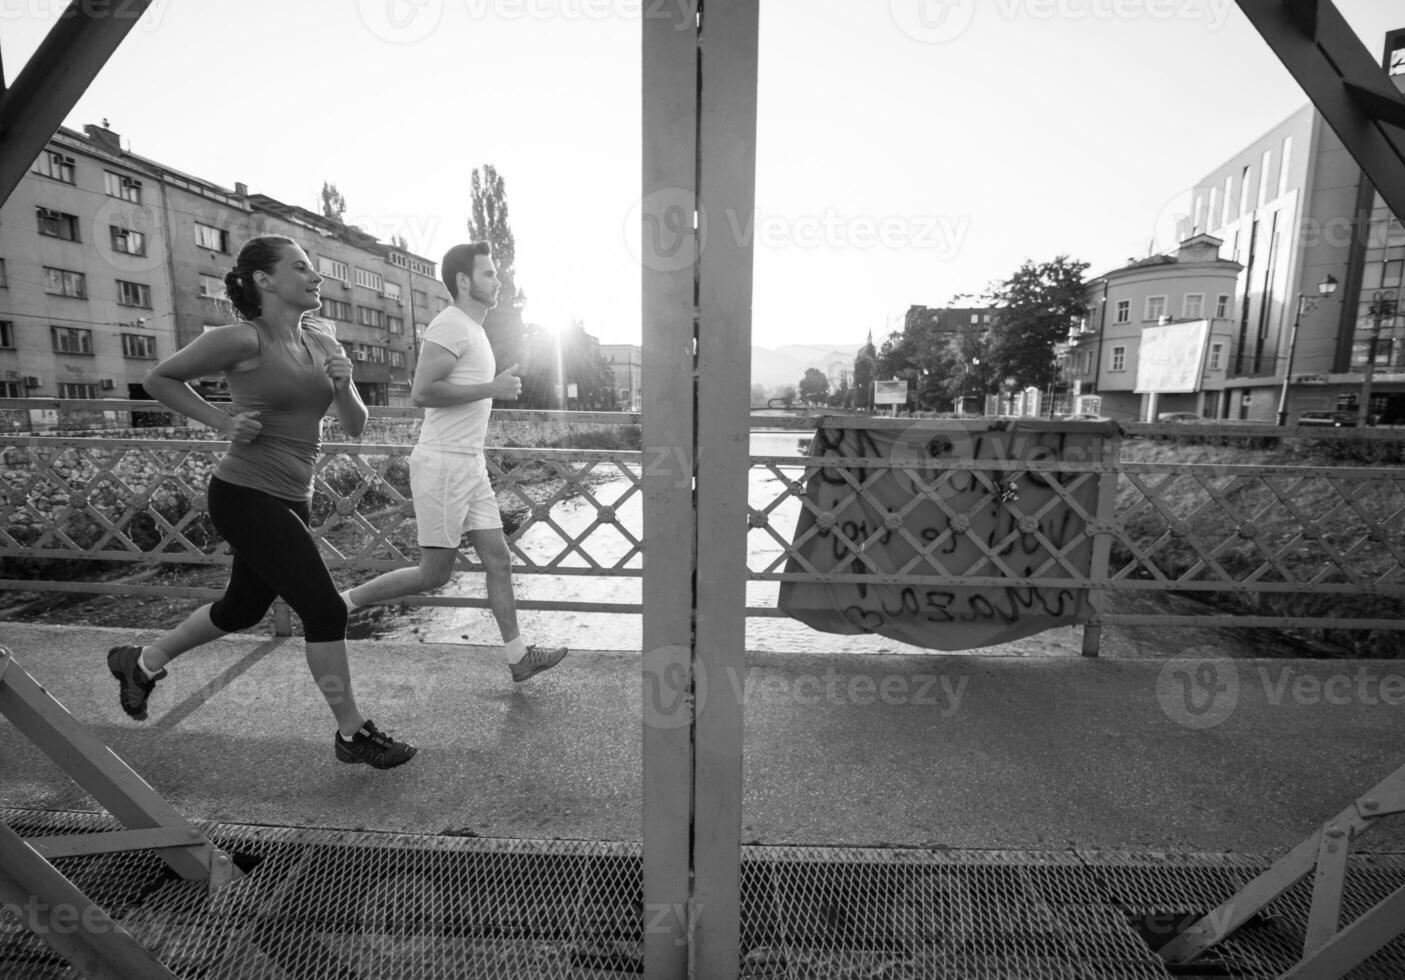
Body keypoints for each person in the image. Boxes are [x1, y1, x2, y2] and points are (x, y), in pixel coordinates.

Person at [106, 235, 415, 770]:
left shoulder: (322, 340)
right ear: (265, 281)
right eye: (302, 268)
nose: (316, 277)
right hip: (245, 493)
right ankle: (352, 732)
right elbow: (160, 378)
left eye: (315, 268)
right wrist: (224, 422)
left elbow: (356, 425)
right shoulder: (242, 339)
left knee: (242, 608)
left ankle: (142, 660)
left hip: (295, 497)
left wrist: (344, 386)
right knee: (322, 607)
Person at [340, 242, 567, 682]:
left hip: (470, 462)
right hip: (443, 462)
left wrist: (491, 388)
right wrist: (492, 389)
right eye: (488, 274)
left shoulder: (474, 329)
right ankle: (344, 603)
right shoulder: (450, 325)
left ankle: (519, 657)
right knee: (434, 574)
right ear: (463, 281)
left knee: (499, 560)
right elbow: (423, 392)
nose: (497, 280)